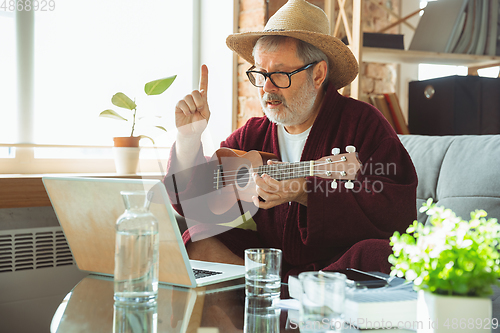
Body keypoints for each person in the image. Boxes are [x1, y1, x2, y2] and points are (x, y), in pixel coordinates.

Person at [165, 0, 417, 280]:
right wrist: (188, 138)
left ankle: (288, 299)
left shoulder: (363, 124)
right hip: (267, 266)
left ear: (318, 74)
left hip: (335, 268)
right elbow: (192, 202)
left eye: (280, 74)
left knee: (379, 255)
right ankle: (259, 308)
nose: (267, 88)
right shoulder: (254, 132)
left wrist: (306, 192)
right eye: (260, 74)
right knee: (198, 241)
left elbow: (397, 213)